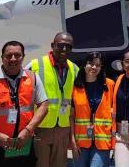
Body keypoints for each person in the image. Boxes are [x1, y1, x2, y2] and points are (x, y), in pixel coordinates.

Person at [0, 40, 49, 166]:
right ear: (2, 58)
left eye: (17, 55)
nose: (13, 59)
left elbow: (44, 105)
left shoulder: (33, 78)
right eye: (8, 56)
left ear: (23, 57)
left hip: (24, 144)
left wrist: (27, 131)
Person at [27, 31, 79, 167]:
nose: (64, 49)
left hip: (63, 128)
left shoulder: (75, 69)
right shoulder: (36, 64)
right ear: (52, 45)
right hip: (41, 127)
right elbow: (16, 80)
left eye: (68, 46)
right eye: (60, 45)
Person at [71, 52, 115, 167]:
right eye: (91, 63)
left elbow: (115, 115)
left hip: (102, 143)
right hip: (81, 143)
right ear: (84, 65)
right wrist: (72, 142)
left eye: (98, 65)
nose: (94, 67)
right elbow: (71, 117)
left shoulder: (109, 85)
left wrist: (115, 143)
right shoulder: (75, 87)